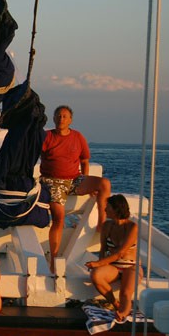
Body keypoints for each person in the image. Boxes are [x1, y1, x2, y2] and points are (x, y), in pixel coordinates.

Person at [40, 105, 111, 274]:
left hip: (74, 180)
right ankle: (54, 259)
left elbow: (85, 161)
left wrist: (85, 179)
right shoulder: (47, 136)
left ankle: (102, 222)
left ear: (70, 120)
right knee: (59, 217)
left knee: (104, 184)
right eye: (58, 116)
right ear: (53, 118)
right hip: (53, 182)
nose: (61, 119)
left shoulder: (78, 137)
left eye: (64, 116)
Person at [85, 194, 140, 321]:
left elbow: (120, 253)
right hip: (114, 266)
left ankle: (123, 313)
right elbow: (103, 249)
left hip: (131, 266)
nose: (104, 210)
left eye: (107, 207)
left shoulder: (132, 227)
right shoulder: (106, 226)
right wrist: (99, 264)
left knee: (125, 293)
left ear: (116, 209)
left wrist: (97, 264)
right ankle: (115, 304)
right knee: (96, 276)